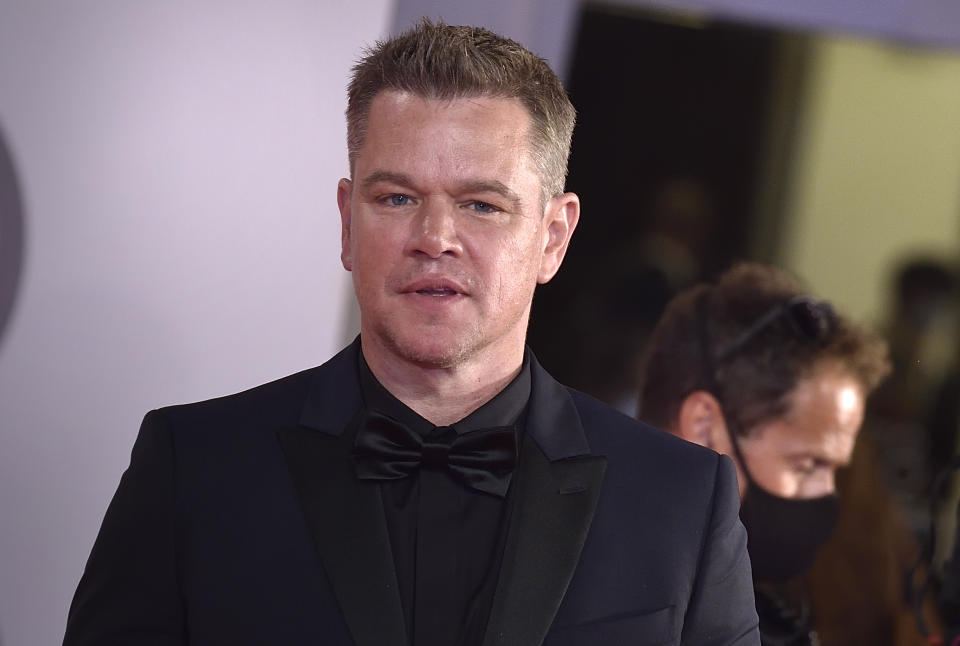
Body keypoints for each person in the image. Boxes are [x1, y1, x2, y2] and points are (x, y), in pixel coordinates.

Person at [63, 20, 759, 646]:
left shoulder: (679, 501)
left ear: (553, 237)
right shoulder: (194, 472)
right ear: (346, 219)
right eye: (397, 198)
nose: (435, 239)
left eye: (481, 205)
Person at [636, 262, 928, 645]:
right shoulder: (581, 596)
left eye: (833, 470)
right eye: (807, 465)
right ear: (705, 426)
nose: (826, 494)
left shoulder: (768, 610)